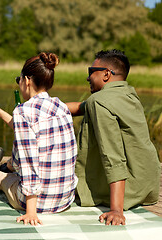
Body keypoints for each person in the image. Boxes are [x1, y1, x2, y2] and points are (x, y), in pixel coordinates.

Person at [0, 52, 78, 225]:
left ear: (26, 80)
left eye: (18, 79)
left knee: (4, 179)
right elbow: (30, 128)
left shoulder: (23, 112)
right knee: (18, 162)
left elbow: (29, 162)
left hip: (38, 204)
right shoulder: (61, 107)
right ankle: (7, 165)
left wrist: (31, 212)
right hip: (64, 199)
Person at [67, 49, 161, 226]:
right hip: (147, 185)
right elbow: (80, 107)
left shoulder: (100, 101)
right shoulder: (128, 94)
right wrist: (43, 107)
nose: (88, 77)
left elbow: (113, 156)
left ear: (106, 74)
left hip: (128, 191)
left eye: (91, 71)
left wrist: (116, 210)